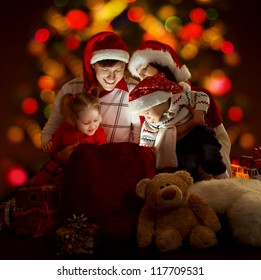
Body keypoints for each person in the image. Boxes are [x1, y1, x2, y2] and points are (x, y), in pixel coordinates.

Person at [128, 40, 232, 177]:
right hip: (172, 172)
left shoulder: (195, 94)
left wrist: (220, 175)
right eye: (138, 72)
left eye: (145, 68)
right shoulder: (146, 104)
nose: (141, 75)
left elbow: (220, 138)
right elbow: (151, 141)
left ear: (162, 66)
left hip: (207, 171)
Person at [41, 31, 141, 163]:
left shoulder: (135, 91)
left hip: (120, 165)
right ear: (93, 65)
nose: (112, 78)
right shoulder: (71, 89)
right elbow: (53, 127)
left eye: (118, 70)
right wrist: (60, 156)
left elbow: (140, 136)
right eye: (105, 71)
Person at [29, 92, 107, 185]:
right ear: (74, 120)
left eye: (96, 120)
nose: (93, 126)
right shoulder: (65, 128)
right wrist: (48, 146)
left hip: (84, 168)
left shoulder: (98, 133)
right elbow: (53, 145)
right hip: (61, 164)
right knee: (44, 174)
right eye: (86, 123)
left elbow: (102, 152)